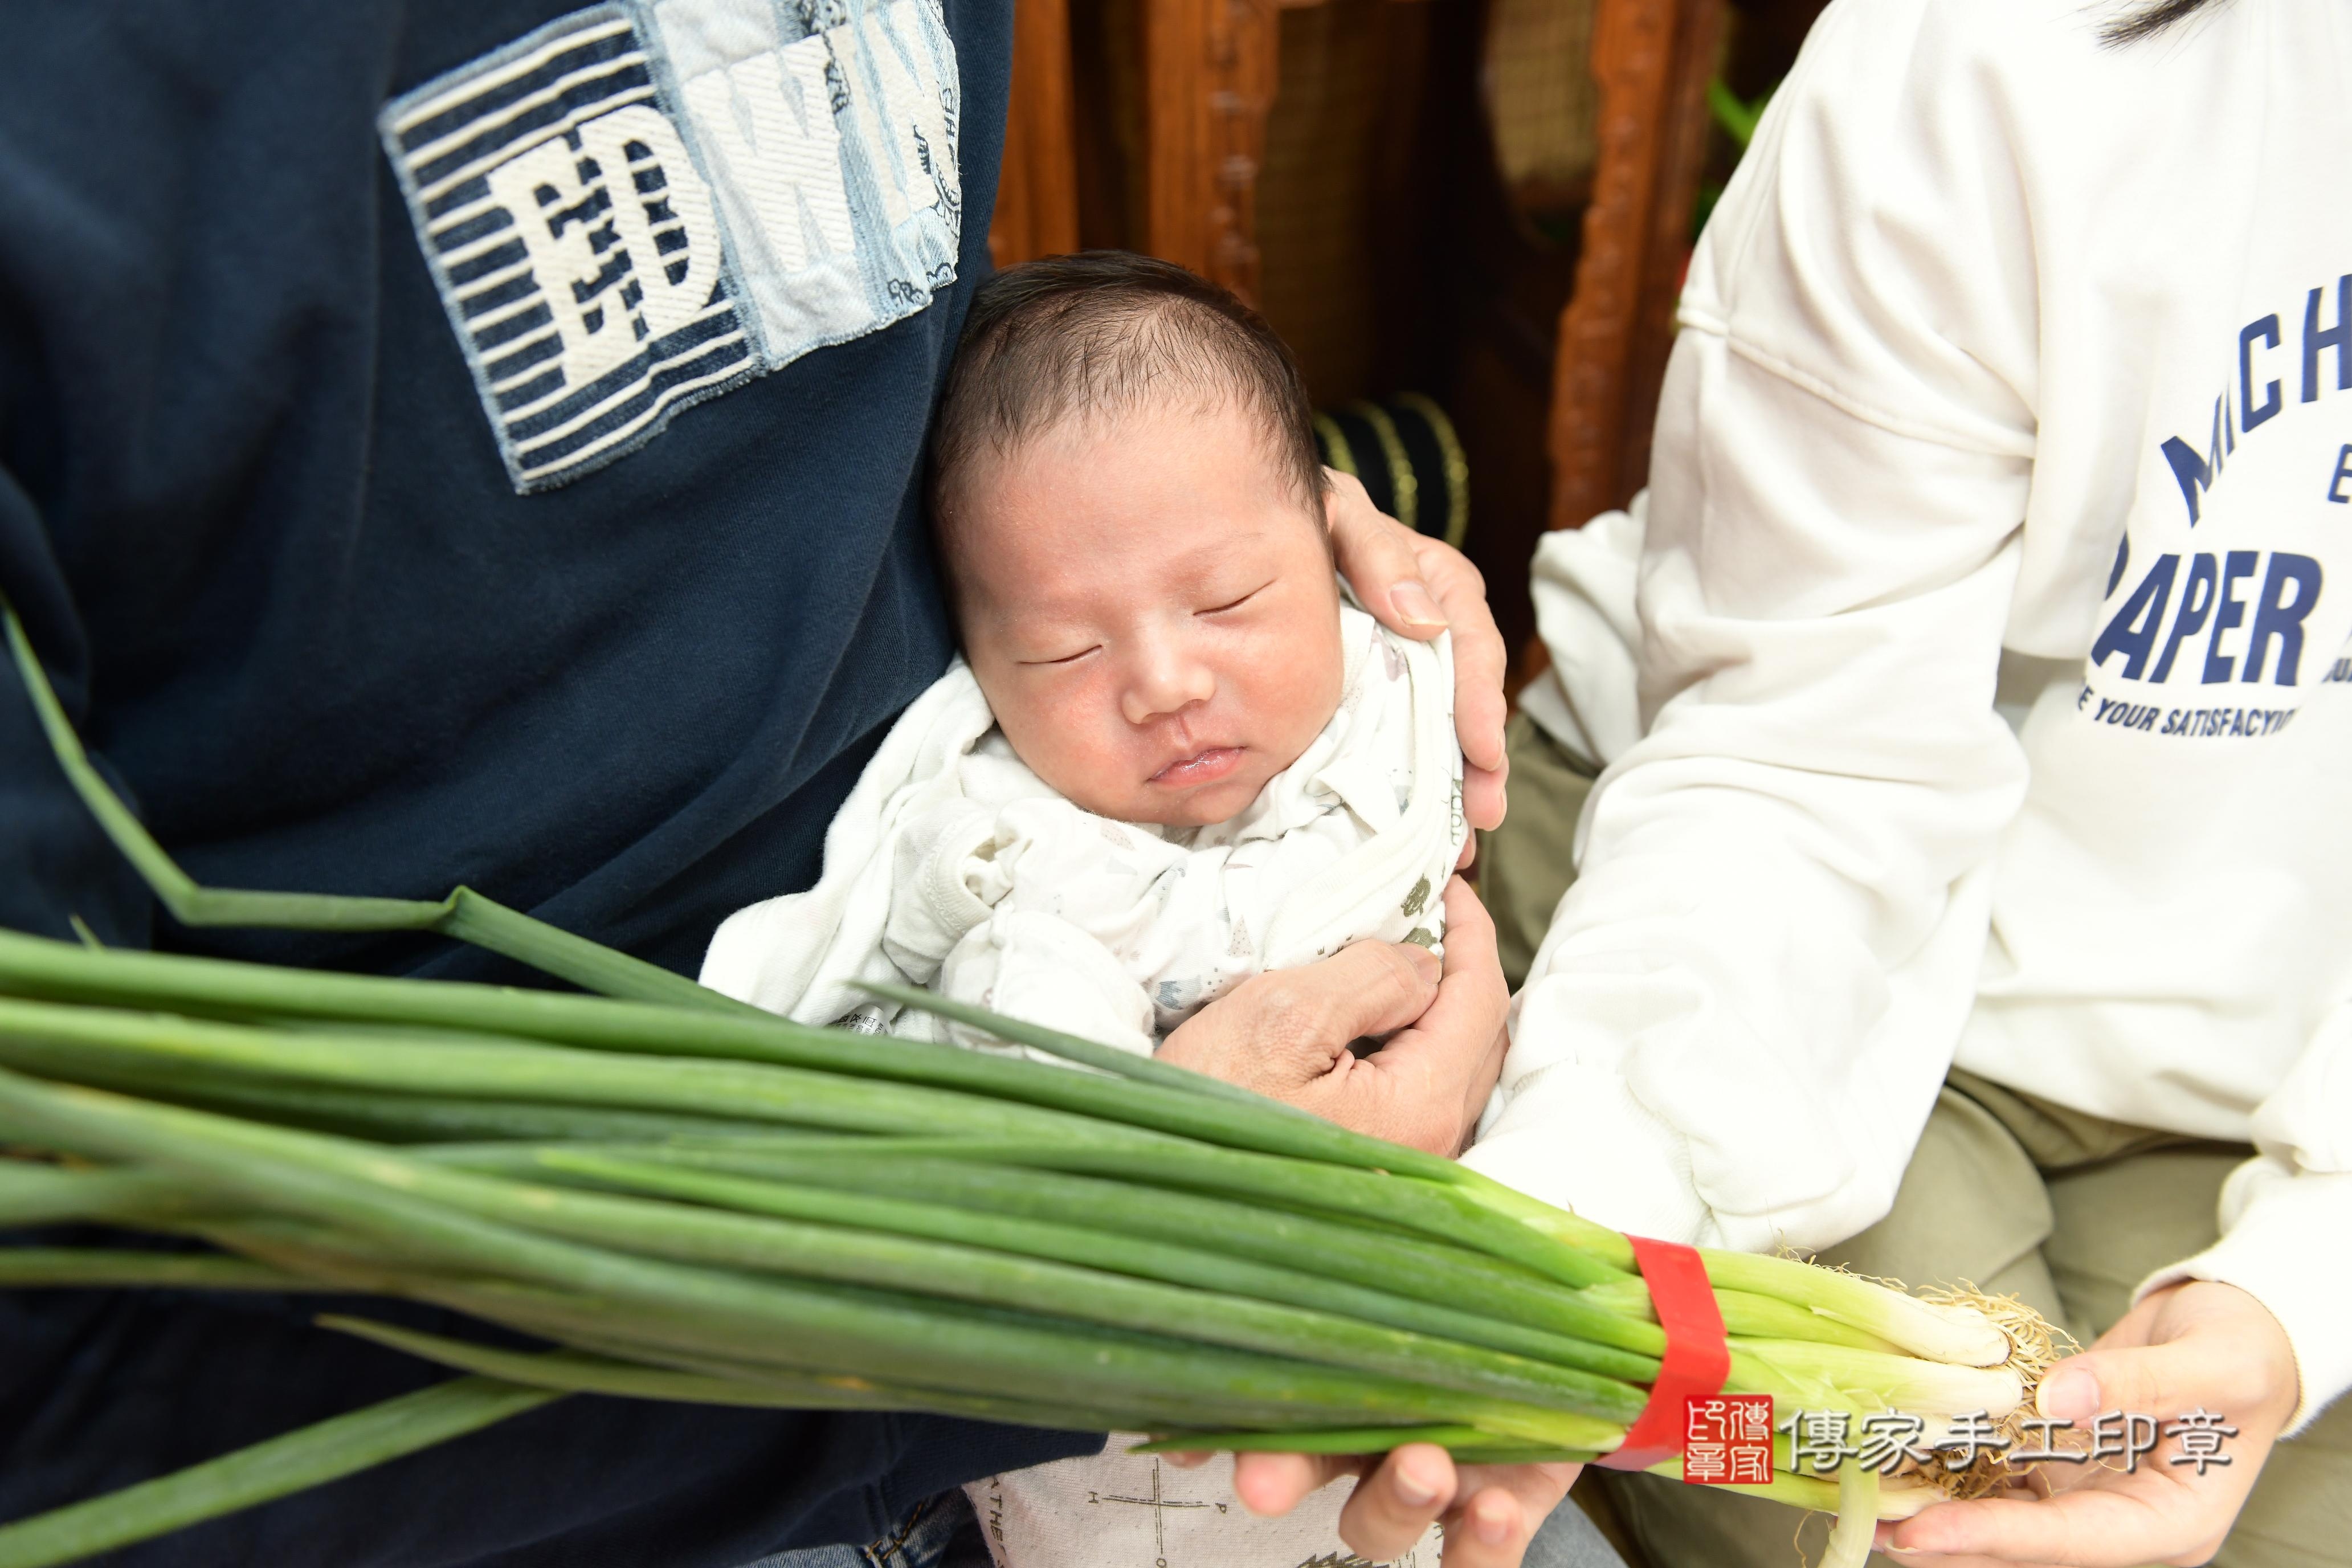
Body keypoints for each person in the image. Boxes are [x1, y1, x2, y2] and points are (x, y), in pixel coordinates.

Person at [0, 5, 1541, 1565]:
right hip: (610, 1375)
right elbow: (59, 1396)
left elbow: (831, 316)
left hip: (1290, 1231)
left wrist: (1217, 522)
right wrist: (1059, 1275)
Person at [1476, 1, 2352, 1565]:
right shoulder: (1993, 47)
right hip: (1795, 944)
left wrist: (2296, 1296)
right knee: (1923, 1521)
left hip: (2273, 1085)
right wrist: (1572, 1213)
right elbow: (1803, 760)